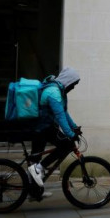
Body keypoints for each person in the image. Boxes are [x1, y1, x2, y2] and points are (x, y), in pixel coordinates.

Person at [28, 67, 82, 200]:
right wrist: (70, 134)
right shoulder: (54, 92)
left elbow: (64, 113)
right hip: (42, 128)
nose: (73, 87)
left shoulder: (58, 90)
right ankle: (39, 168)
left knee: (34, 160)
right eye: (73, 84)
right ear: (68, 81)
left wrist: (74, 127)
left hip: (42, 128)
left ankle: (35, 192)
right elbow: (59, 115)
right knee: (66, 145)